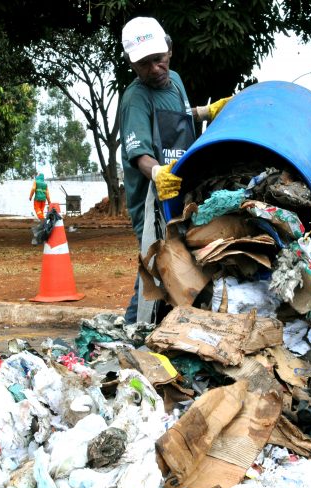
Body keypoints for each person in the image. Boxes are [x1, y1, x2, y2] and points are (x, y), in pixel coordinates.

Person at [118, 16, 230, 324]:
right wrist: (157, 174)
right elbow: (138, 153)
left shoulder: (176, 80)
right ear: (133, 65)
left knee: (179, 264)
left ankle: (171, 328)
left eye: (158, 59)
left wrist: (204, 112)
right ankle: (133, 331)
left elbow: (176, 118)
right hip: (153, 200)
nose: (154, 69)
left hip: (182, 193)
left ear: (169, 50)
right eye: (144, 65)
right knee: (157, 267)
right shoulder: (135, 99)